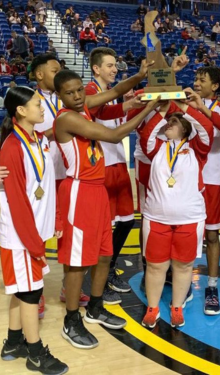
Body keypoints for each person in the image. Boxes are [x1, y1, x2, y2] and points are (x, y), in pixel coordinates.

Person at [53, 65, 159, 349]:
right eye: (69, 92)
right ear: (59, 95)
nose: (77, 96)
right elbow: (113, 136)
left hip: (97, 190)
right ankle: (71, 320)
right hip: (78, 191)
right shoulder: (66, 118)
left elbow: (114, 91)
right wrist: (150, 108)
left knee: (104, 254)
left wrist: (139, 76)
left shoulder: (83, 104)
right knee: (77, 262)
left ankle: (96, 308)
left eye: (79, 90)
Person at [0, 87, 68, 374]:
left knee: (21, 291)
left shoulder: (40, 140)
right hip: (19, 236)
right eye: (38, 105)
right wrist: (34, 244)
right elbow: (16, 200)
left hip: (33, 233)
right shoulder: (12, 147)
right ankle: (35, 353)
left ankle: (14, 343)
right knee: (30, 294)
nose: (43, 109)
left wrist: (54, 221)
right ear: (21, 111)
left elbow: (46, 188)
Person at [140, 100, 213, 329]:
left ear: (184, 126)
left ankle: (177, 307)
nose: (167, 125)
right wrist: (163, 111)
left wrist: (185, 108)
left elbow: (206, 129)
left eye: (173, 123)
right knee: (155, 266)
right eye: (167, 122)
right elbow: (146, 136)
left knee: (183, 266)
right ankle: (153, 308)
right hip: (156, 217)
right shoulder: (157, 148)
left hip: (190, 219)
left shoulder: (197, 150)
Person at [31, 54, 91, 313]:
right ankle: (36, 291)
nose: (60, 73)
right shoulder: (28, 100)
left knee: (69, 234)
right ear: (38, 75)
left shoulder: (67, 98)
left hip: (69, 175)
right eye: (54, 70)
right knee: (38, 235)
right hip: (40, 178)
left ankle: (70, 286)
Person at [85, 47, 138, 303]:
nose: (114, 69)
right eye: (109, 65)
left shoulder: (111, 95)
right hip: (100, 166)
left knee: (127, 221)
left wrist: (128, 103)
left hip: (117, 162)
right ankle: (99, 279)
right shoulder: (89, 92)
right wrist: (128, 103)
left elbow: (113, 112)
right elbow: (101, 113)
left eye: (115, 65)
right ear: (96, 68)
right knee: (103, 229)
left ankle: (109, 268)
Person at [184, 67, 220, 315]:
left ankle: (212, 286)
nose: (196, 82)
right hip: (187, 177)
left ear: (215, 86)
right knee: (187, 234)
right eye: (195, 78)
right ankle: (183, 283)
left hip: (213, 179)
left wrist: (201, 109)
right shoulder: (185, 103)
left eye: (201, 79)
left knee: (213, 237)